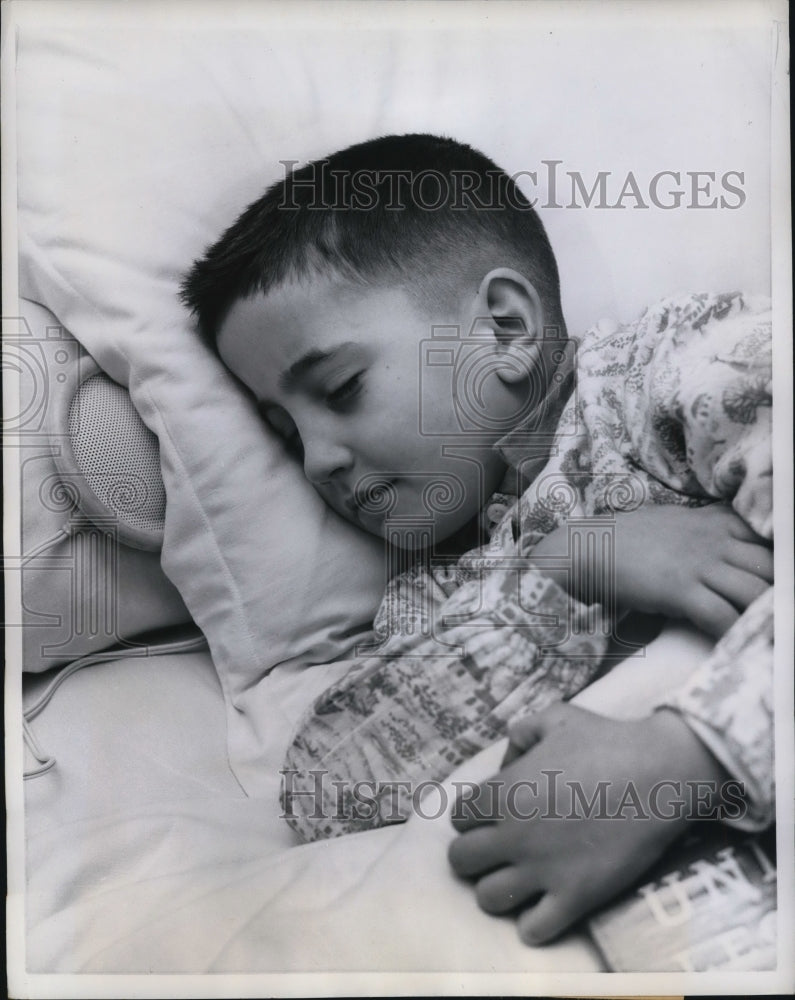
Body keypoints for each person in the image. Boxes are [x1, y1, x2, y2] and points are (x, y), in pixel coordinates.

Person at [180, 133, 774, 945]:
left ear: (503, 328)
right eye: (285, 434)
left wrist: (689, 758)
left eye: (341, 390)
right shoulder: (443, 597)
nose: (318, 460)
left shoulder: (682, 374)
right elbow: (331, 793)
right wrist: (567, 567)